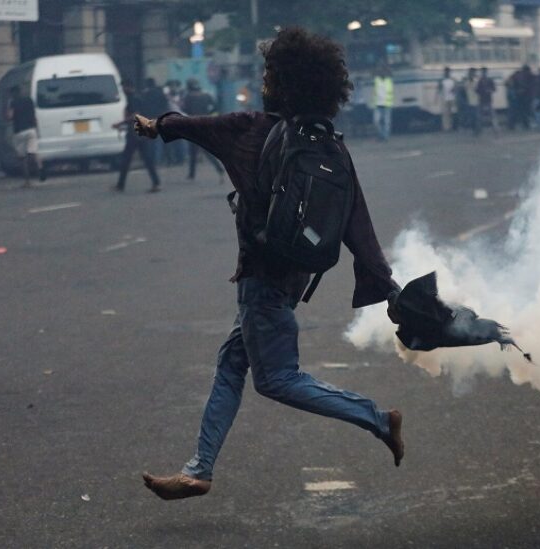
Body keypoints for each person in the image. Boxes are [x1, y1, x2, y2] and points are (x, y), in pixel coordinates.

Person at [134, 27, 404, 500]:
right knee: (231, 361)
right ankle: (199, 469)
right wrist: (389, 287)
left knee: (278, 379)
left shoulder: (249, 128)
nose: (263, 79)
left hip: (261, 280)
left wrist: (158, 126)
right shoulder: (329, 144)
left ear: (277, 81)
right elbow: (359, 227)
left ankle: (376, 418)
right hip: (294, 278)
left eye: (267, 72)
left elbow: (191, 125)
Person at [113, 79, 160, 192]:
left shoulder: (132, 98)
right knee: (146, 158)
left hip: (135, 133)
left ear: (127, 86)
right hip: (141, 131)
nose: (123, 90)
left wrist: (121, 123)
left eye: (123, 87)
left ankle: (120, 184)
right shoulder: (138, 97)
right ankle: (156, 182)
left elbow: (135, 114)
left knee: (127, 158)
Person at [182, 78, 225, 183]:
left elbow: (185, 110)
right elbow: (215, 108)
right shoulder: (206, 95)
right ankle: (194, 173)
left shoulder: (188, 97)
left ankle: (193, 174)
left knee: (193, 151)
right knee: (205, 150)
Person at [8, 85, 43, 186]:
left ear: (13, 94)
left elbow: (10, 116)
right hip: (31, 129)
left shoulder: (13, 102)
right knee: (34, 152)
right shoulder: (29, 100)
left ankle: (27, 181)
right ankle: (40, 167)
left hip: (19, 132)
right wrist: (37, 129)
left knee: (23, 157)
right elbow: (34, 116)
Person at [372, 62, 394, 141]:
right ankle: (382, 135)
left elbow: (391, 72)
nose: (382, 72)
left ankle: (385, 137)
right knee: (376, 122)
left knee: (386, 123)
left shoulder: (389, 80)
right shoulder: (377, 80)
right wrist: (379, 66)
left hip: (387, 105)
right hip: (378, 104)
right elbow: (373, 73)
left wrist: (385, 67)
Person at [476, 67, 498, 134]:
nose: (483, 73)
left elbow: (494, 89)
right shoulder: (481, 80)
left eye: (484, 72)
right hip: (483, 99)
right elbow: (477, 90)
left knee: (491, 115)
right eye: (483, 72)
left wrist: (489, 91)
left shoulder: (488, 80)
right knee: (481, 116)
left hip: (487, 99)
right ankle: (479, 130)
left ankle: (495, 129)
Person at [437, 67, 456, 132]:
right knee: (445, 114)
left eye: (448, 71)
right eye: (446, 72)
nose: (447, 73)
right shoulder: (442, 80)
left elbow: (455, 88)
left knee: (452, 113)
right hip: (444, 98)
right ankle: (446, 128)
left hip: (452, 98)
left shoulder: (452, 80)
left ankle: (452, 126)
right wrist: (436, 98)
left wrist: (454, 90)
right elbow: (439, 89)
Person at [463, 68, 481, 135]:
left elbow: (479, 90)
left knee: (477, 117)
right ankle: (474, 130)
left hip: (476, 101)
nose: (471, 74)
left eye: (473, 73)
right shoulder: (466, 82)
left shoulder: (477, 81)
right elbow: (464, 91)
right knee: (472, 118)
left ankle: (477, 131)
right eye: (470, 73)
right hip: (469, 102)